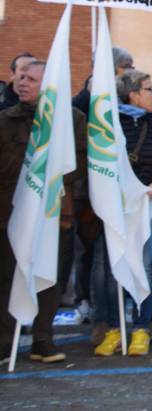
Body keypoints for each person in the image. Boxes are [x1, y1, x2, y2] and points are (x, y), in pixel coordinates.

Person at [0, 60, 87, 364]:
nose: (22, 83)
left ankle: (42, 339)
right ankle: (4, 342)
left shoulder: (72, 120)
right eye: (21, 78)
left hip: (53, 213)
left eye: (31, 79)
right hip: (11, 212)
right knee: (7, 277)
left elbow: (80, 161)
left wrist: (47, 178)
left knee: (48, 277)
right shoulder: (5, 120)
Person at [90, 71, 152, 358]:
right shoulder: (109, 124)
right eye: (150, 89)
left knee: (146, 266)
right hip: (118, 207)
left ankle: (140, 327)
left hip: (149, 205)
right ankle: (114, 328)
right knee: (116, 267)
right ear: (133, 94)